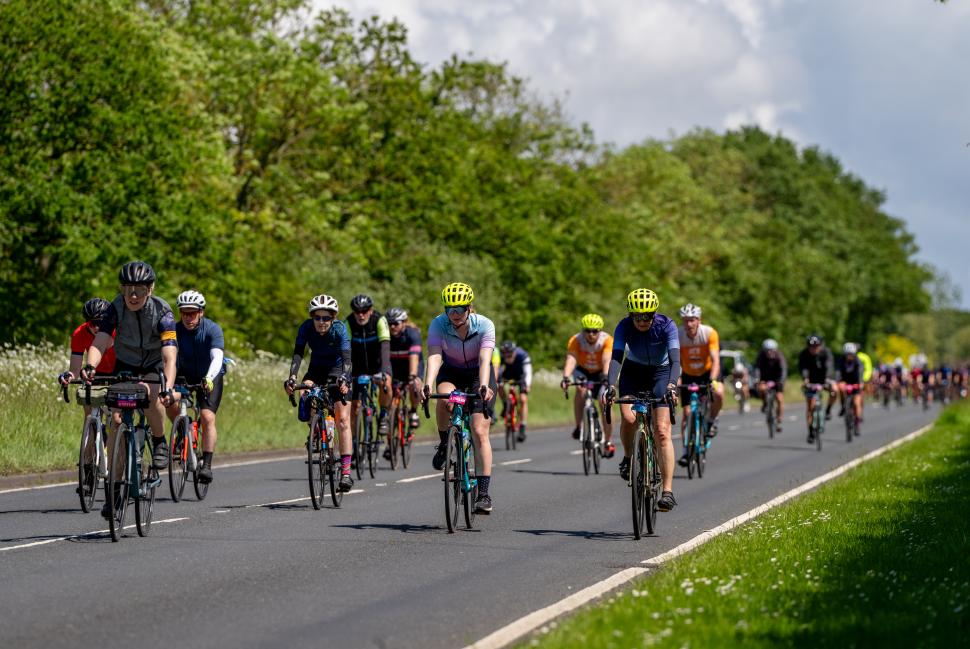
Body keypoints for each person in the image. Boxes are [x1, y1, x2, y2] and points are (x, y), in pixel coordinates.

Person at [80, 261, 178, 519]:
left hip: (154, 363)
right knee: (115, 420)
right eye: (128, 289)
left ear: (150, 288)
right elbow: (100, 341)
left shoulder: (163, 311)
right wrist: (90, 366)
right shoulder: (116, 307)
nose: (133, 295)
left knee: (152, 396)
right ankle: (113, 491)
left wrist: (167, 385)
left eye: (139, 289)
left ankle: (159, 441)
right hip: (126, 362)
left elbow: (169, 356)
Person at [422, 282, 497, 514]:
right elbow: (434, 357)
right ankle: (445, 442)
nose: (454, 315)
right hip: (452, 371)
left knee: (479, 430)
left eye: (459, 309)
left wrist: (484, 385)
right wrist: (426, 383)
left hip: (478, 374)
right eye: (449, 309)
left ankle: (483, 494)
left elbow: (486, 359)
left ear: (470, 308)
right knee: (443, 398)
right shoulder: (438, 324)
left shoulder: (484, 325)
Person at [604, 288, 680, 512]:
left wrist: (672, 385)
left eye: (647, 316)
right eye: (638, 316)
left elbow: (676, 360)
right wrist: (610, 385)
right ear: (631, 315)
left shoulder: (667, 325)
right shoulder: (623, 327)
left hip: (662, 372)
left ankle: (667, 492)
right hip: (633, 371)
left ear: (654, 315)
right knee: (628, 419)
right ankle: (628, 458)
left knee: (662, 431)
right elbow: (616, 358)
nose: (643, 321)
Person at [284, 294, 354, 491]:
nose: (322, 322)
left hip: (339, 370)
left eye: (326, 318)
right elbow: (298, 354)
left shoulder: (340, 329)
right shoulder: (306, 328)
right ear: (312, 317)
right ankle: (314, 427)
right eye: (318, 318)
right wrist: (292, 377)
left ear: (333, 318)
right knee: (305, 390)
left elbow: (347, 357)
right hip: (316, 369)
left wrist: (345, 378)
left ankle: (346, 473)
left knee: (342, 420)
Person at [164, 290, 225, 484]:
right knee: (168, 400)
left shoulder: (212, 329)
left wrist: (208, 377)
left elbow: (217, 357)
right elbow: (166, 358)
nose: (188, 317)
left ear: (201, 312)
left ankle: (206, 464)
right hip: (183, 375)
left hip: (210, 376)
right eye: (184, 313)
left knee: (207, 417)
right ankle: (183, 430)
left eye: (193, 313)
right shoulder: (173, 331)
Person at [58, 298, 117, 493]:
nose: (97, 327)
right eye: (92, 323)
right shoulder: (79, 333)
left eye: (101, 322)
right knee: (90, 419)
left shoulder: (117, 330)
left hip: (118, 374)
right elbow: (75, 369)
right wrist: (68, 376)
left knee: (116, 419)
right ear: (87, 322)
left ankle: (118, 460)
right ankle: (88, 473)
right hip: (94, 375)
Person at [559, 313, 615, 457]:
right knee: (580, 390)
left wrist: (605, 376)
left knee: (604, 401)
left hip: (601, 371)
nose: (591, 334)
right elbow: (571, 360)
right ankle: (579, 426)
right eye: (587, 331)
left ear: (600, 331)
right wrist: (565, 377)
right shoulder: (576, 340)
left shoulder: (607, 340)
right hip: (583, 370)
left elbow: (606, 359)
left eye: (595, 331)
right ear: (583, 330)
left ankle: (608, 441)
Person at [676, 303, 723, 467]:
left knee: (719, 393)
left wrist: (712, 380)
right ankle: (685, 452)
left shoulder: (709, 333)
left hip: (707, 372)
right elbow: (675, 361)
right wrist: (676, 379)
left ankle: (712, 419)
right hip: (688, 374)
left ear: (699, 320)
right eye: (685, 320)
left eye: (692, 320)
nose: (689, 324)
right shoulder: (677, 335)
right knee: (687, 413)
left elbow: (715, 359)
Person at [346, 294, 393, 441]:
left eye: (364, 311)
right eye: (357, 312)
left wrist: (384, 371)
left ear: (371, 310)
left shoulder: (379, 320)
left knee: (386, 383)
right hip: (357, 367)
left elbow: (385, 347)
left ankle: (384, 414)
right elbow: (345, 351)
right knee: (354, 407)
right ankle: (354, 442)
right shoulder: (348, 322)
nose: (361, 315)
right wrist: (346, 373)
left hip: (379, 364)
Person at [384, 306, 424, 460]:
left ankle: (413, 411)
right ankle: (389, 445)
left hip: (412, 364)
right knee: (390, 410)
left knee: (415, 384)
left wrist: (413, 377)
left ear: (404, 323)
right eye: (390, 323)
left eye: (396, 323)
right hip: (395, 366)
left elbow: (414, 357)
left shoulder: (412, 334)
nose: (392, 326)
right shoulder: (386, 335)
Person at [798, 333, 836, 444]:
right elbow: (803, 368)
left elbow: (829, 366)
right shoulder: (804, 354)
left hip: (825, 379)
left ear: (820, 345)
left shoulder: (826, 353)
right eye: (811, 347)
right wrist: (805, 379)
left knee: (835, 390)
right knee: (810, 406)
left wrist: (827, 379)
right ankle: (810, 431)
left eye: (816, 346)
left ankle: (828, 409)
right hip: (811, 381)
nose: (813, 349)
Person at [497, 340, 532, 442]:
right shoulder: (500, 356)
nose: (508, 356)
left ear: (514, 351)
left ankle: (522, 427)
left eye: (510, 354)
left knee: (523, 399)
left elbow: (528, 371)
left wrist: (528, 385)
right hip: (507, 373)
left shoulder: (522, 355)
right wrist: (498, 382)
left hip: (521, 375)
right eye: (505, 354)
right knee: (499, 386)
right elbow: (497, 370)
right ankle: (505, 406)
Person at [754, 338, 787, 433]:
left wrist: (781, 381)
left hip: (777, 379)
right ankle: (765, 403)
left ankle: (779, 420)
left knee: (780, 399)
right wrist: (757, 380)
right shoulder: (761, 357)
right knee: (761, 388)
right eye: (767, 351)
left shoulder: (779, 357)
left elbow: (783, 370)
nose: (769, 352)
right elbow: (757, 369)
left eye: (772, 350)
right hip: (765, 378)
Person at [836, 342, 865, 433]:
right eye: (847, 354)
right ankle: (843, 406)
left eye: (851, 354)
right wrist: (838, 381)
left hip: (856, 382)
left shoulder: (858, 361)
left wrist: (860, 383)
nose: (849, 356)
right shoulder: (841, 361)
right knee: (840, 388)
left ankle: (857, 422)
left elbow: (860, 372)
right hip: (845, 381)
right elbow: (838, 372)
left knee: (856, 403)